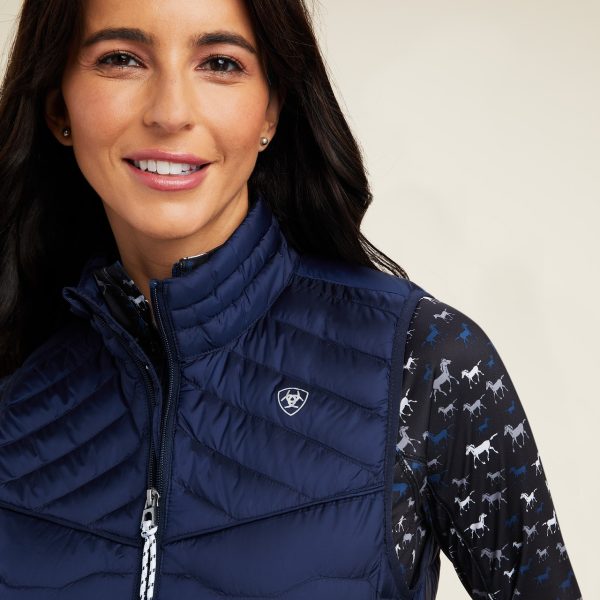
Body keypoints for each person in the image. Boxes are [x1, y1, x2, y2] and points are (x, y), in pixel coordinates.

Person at [0, 1, 582, 599]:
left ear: (271, 109)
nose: (171, 112)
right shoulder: (14, 388)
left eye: (220, 63)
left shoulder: (422, 361)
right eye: (122, 59)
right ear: (58, 106)